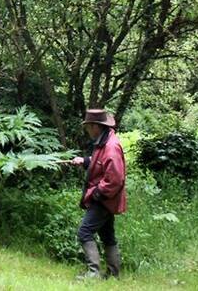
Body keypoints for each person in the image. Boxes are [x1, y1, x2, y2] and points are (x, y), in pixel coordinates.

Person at [70, 108, 127, 279]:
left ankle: (93, 273)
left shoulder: (111, 146)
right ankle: (113, 274)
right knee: (107, 235)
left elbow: (115, 179)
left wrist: (96, 195)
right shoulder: (104, 141)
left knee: (84, 232)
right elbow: (100, 164)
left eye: (88, 127)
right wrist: (85, 161)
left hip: (104, 199)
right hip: (106, 198)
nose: (87, 130)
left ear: (96, 126)